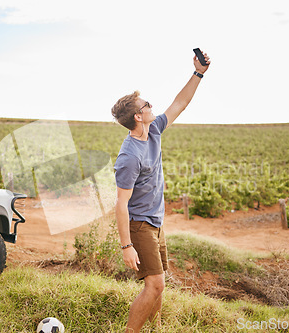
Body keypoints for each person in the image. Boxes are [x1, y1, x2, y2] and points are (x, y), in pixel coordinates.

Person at [111, 50, 211, 332]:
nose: (152, 106)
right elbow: (120, 204)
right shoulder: (129, 157)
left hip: (155, 222)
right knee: (154, 285)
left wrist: (199, 73)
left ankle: (153, 328)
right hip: (139, 225)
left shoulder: (153, 130)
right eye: (147, 105)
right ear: (137, 116)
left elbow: (180, 103)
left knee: (159, 286)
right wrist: (126, 245)